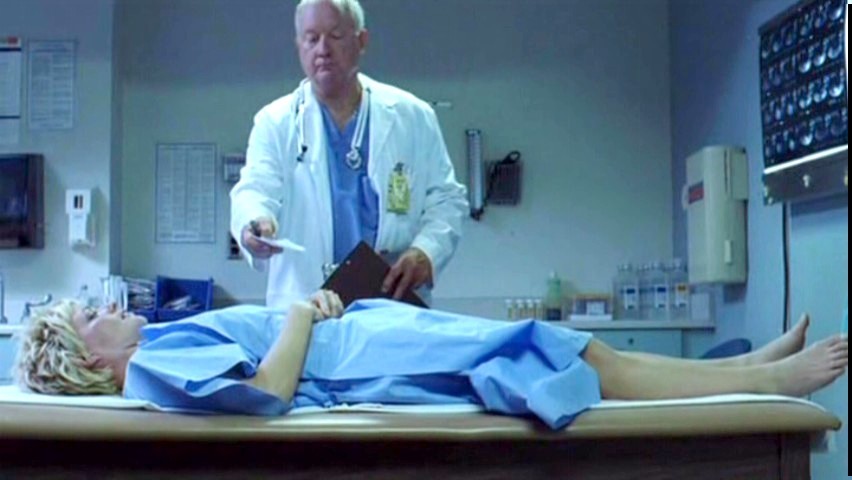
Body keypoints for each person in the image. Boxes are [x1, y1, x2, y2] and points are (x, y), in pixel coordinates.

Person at [14, 291, 849, 430]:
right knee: (555, 350)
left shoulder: (159, 344)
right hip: (360, 361)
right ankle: (763, 380)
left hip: (363, 333)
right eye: (91, 315)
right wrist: (300, 313)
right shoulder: (152, 371)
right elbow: (267, 393)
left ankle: (748, 369)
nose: (108, 307)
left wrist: (314, 312)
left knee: (564, 344)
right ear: (83, 357)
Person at [230, 0, 468, 310]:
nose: (323, 49)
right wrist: (255, 224)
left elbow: (447, 199)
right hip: (305, 307)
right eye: (311, 38)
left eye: (336, 36)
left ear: (361, 41)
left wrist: (426, 251)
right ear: (299, 45)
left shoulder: (412, 117)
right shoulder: (275, 123)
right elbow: (254, 190)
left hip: (393, 304)